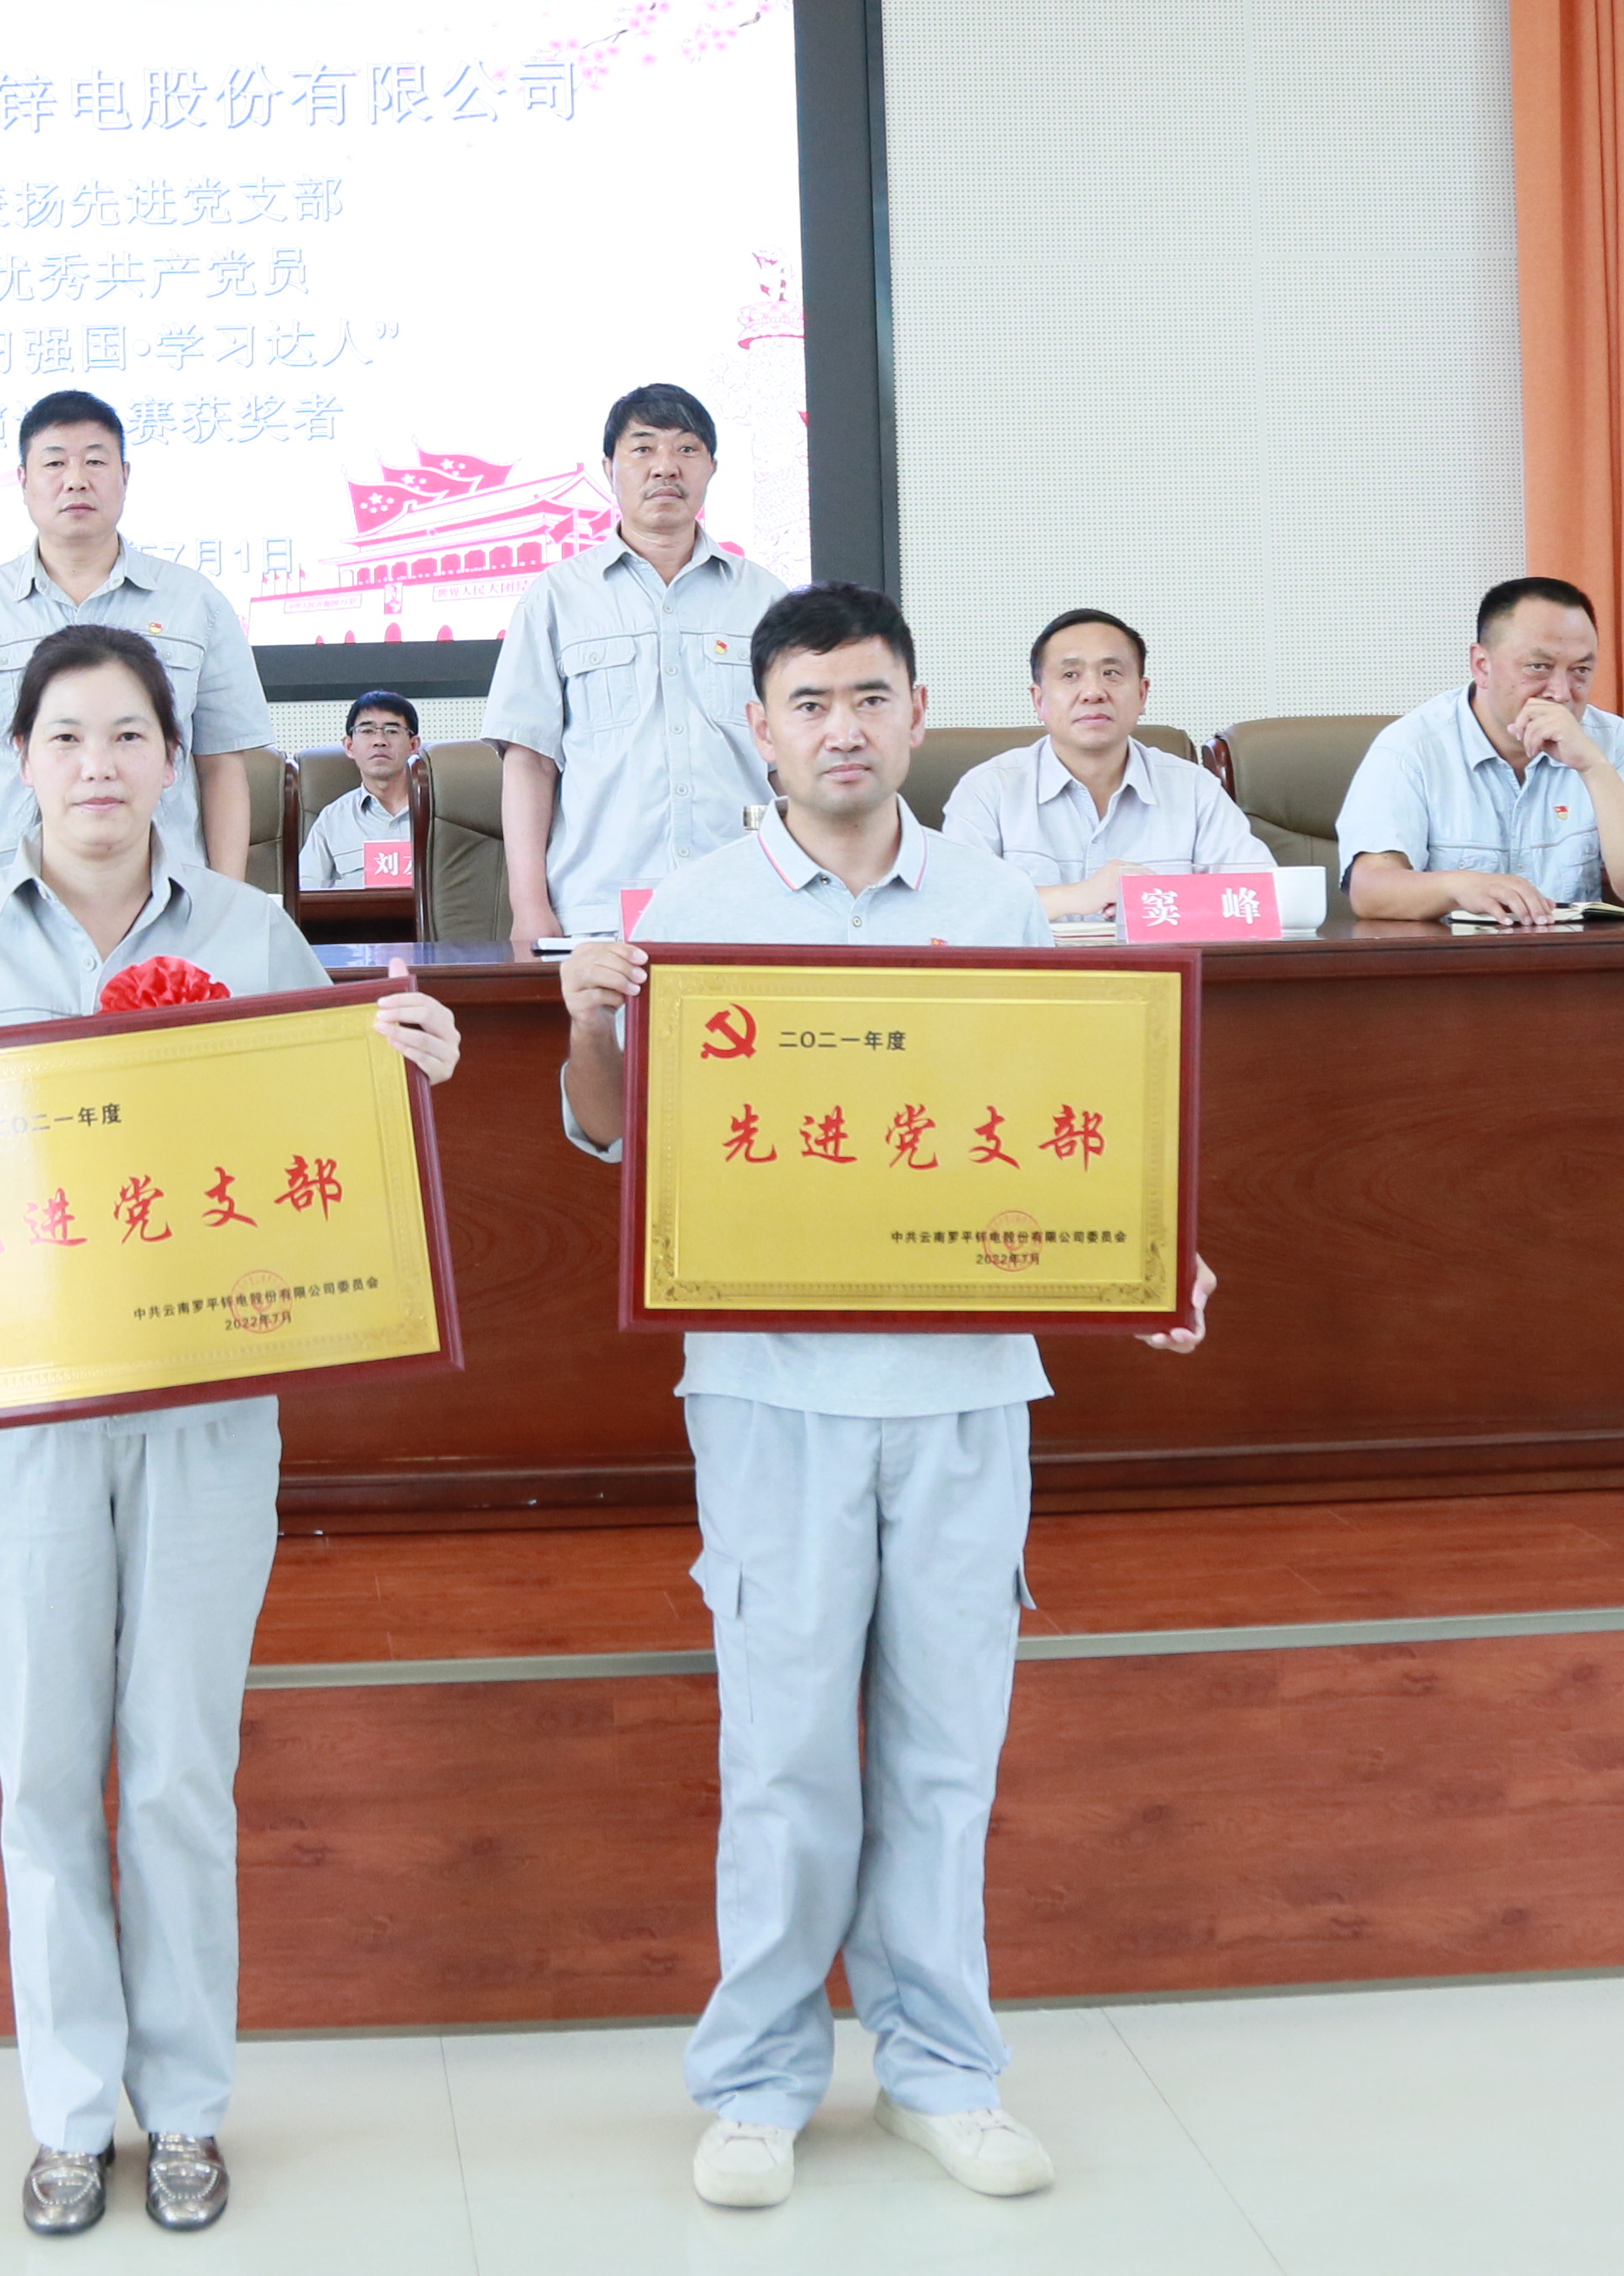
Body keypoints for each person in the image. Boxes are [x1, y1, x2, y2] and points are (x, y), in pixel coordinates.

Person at [552, 582, 1202, 2214]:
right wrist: (591, 1024)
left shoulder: (995, 903)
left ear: (917, 713)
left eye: (868, 698)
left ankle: (942, 2070)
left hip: (966, 1387)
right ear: (759, 729)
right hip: (770, 1394)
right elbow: (615, 1141)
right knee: (784, 1754)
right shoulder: (692, 911)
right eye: (809, 703)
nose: (841, 730)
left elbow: (1062, 1130)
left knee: (943, 1750)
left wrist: (1154, 1261)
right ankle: (758, 2082)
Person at [0, 624, 464, 2238]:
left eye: (127, 736)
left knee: (177, 1762)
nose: (98, 765)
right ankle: (64, 2111)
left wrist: (412, 1072)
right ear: (18, 761)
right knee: (44, 1767)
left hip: (204, 1409)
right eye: (66, 737)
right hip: (19, 1416)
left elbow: (327, 1140)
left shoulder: (255, 931)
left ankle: (185, 2108)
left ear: (175, 760)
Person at [0, 391, 277, 903]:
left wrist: (225, 905)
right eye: (55, 463)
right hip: (1, 903)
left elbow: (221, 768)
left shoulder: (196, 603)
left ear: (125, 475)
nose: (76, 480)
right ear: (23, 481)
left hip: (165, 901)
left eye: (96, 462)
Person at [483, 382, 794, 945]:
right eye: (643, 448)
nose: (665, 467)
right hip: (598, 912)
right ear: (609, 468)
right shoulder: (557, 597)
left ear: (712, 468)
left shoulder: (766, 600)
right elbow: (530, 763)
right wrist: (529, 910)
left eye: (687, 449)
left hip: (748, 904)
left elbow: (791, 763)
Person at [1334, 576, 1624, 927]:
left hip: (1577, 956)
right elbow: (1369, 888)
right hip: (1458, 957)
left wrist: (1593, 767)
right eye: (1538, 667)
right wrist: (1456, 886)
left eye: (1580, 670)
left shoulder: (1612, 740)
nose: (1561, 693)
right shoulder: (1412, 748)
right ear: (1482, 665)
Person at [934, 609, 1273, 937]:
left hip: (1164, 974)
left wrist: (1161, 902)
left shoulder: (1195, 790)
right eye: (1070, 675)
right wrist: (1078, 896)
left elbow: (1261, 903)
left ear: (1142, 694)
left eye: (1111, 673)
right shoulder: (989, 790)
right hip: (1033, 976)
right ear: (1039, 700)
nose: (1093, 692)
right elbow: (956, 909)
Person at [291, 687, 425, 890]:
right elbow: (306, 893)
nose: (379, 741)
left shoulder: (440, 815)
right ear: (349, 746)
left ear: (413, 745)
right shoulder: (332, 819)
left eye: (392, 731)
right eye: (367, 731)